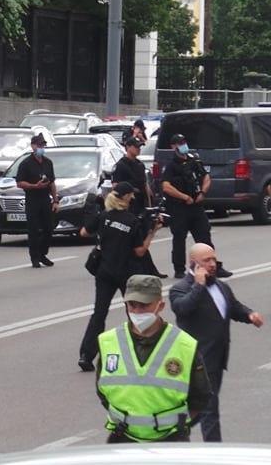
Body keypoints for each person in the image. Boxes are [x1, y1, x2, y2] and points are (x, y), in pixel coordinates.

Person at [96, 274, 212, 443]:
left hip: (170, 440)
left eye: (144, 305)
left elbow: (200, 396)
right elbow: (102, 390)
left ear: (160, 305)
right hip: (123, 438)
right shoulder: (108, 341)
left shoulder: (184, 344)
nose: (136, 311)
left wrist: (174, 423)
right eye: (132, 305)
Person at [169, 243, 264, 443]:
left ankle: (171, 433)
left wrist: (250, 315)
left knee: (202, 409)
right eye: (207, 261)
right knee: (210, 410)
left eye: (214, 259)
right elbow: (183, 309)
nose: (213, 264)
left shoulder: (221, 286)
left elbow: (234, 307)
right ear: (193, 264)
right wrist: (199, 285)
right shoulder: (180, 289)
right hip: (197, 361)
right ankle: (214, 452)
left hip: (217, 358)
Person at [78, 183, 164, 371]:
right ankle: (138, 351)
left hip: (104, 272)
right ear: (125, 197)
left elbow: (84, 232)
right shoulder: (132, 221)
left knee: (99, 314)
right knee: (134, 311)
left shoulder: (103, 216)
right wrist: (153, 232)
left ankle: (86, 354)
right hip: (126, 273)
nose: (133, 198)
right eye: (131, 195)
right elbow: (140, 251)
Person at [160, 134, 232, 279]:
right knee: (179, 238)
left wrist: (203, 192)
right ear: (173, 147)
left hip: (196, 205)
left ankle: (214, 267)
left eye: (184, 142)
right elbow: (166, 187)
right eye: (179, 143)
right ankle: (179, 269)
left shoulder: (194, 161)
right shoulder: (171, 166)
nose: (183, 145)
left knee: (205, 236)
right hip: (179, 207)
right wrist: (183, 197)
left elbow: (206, 177)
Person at [112, 137, 166, 278]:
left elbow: (145, 186)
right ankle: (147, 269)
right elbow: (115, 187)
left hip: (141, 207)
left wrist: (150, 205)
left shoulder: (140, 165)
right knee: (136, 239)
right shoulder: (121, 166)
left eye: (140, 146)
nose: (138, 149)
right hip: (128, 207)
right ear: (127, 147)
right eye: (136, 146)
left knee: (140, 237)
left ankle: (146, 268)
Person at [15, 133, 57, 268]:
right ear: (33, 146)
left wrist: (55, 200)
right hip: (32, 199)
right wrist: (34, 186)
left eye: (43, 146)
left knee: (49, 228)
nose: (41, 148)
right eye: (39, 145)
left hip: (45, 199)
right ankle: (34, 257)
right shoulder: (26, 164)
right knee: (33, 230)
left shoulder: (48, 162)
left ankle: (42, 253)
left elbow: (52, 183)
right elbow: (19, 183)